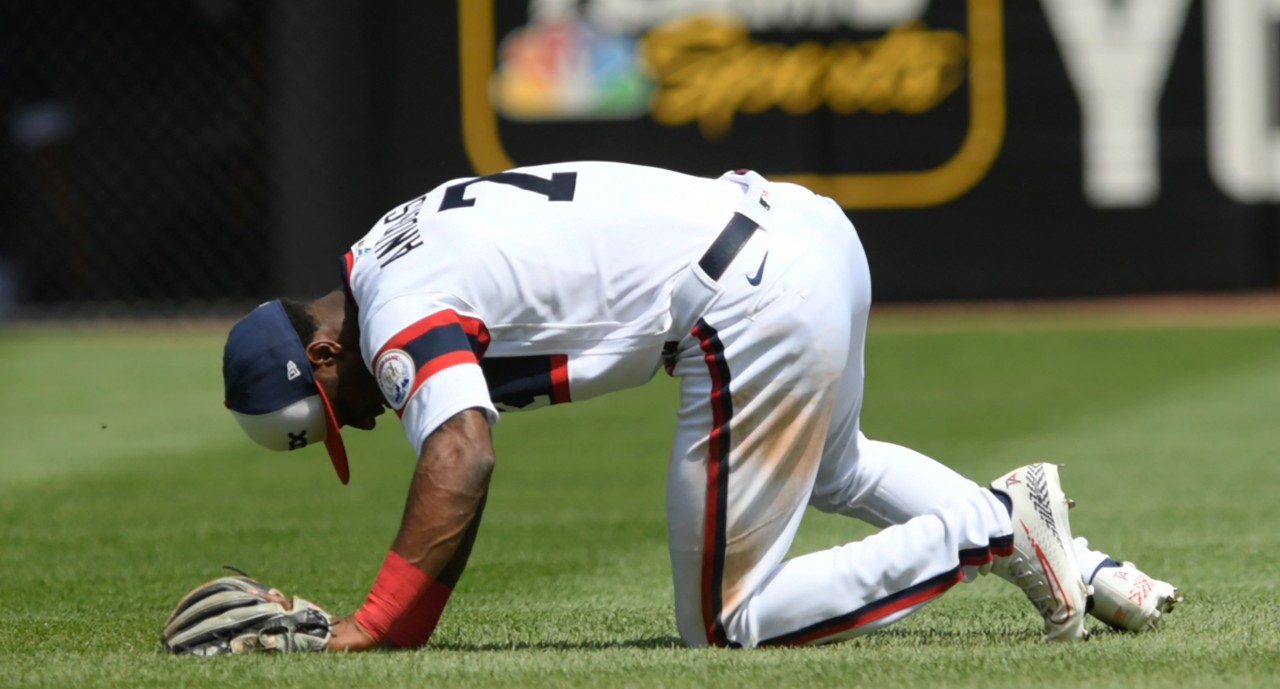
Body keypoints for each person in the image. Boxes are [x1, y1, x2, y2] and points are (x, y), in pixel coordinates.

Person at [221, 161, 1181, 651]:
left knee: (726, 624)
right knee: (839, 467)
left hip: (743, 297)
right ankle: (1087, 567)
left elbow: (461, 455)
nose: (355, 425)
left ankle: (998, 526)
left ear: (325, 350)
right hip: (800, 226)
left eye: (331, 414)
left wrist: (379, 627)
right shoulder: (392, 239)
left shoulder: (392, 310)